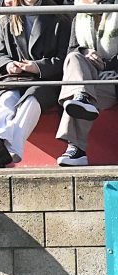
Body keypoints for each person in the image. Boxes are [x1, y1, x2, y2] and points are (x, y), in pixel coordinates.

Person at [0, 0, 70, 167]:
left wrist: (37, 67)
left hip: (45, 79)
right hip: (13, 78)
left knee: (31, 100)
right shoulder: (7, 18)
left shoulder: (59, 17)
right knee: (6, 98)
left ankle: (8, 149)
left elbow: (64, 57)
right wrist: (8, 65)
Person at [55, 0, 118, 166]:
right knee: (74, 57)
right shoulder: (80, 13)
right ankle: (81, 95)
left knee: (78, 96)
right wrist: (85, 52)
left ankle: (76, 149)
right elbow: (71, 51)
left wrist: (107, 64)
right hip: (89, 80)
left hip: (113, 80)